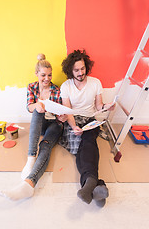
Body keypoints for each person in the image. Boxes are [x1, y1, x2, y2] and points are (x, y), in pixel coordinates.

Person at [0, 53, 67, 201]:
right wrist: (38, 105)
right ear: (37, 74)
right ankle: (31, 157)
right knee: (37, 110)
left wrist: (62, 116)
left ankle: (29, 185)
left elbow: (62, 112)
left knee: (45, 145)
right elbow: (29, 107)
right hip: (40, 123)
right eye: (43, 75)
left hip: (54, 125)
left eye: (49, 75)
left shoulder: (57, 90)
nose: (47, 79)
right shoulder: (32, 87)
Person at [59, 49, 115, 206]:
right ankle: (96, 184)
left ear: (86, 67)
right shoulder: (66, 86)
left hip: (90, 120)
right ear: (70, 70)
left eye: (82, 68)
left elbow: (99, 106)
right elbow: (68, 111)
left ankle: (88, 184)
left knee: (88, 141)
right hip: (73, 121)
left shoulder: (95, 83)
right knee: (81, 146)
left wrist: (106, 107)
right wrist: (74, 126)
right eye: (76, 70)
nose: (80, 72)